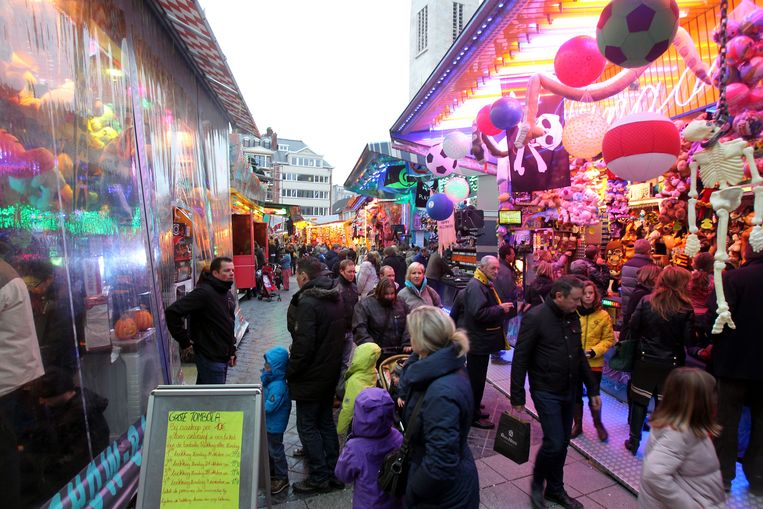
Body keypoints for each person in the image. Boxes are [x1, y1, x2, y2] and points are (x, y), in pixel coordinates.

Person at [511, 276, 601, 509]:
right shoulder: (536, 317)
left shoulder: (572, 316)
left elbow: (578, 355)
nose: (579, 304)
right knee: (554, 442)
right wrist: (517, 396)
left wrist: (592, 389)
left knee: (562, 444)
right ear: (559, 296)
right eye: (575, 299)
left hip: (569, 389)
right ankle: (536, 485)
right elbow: (520, 357)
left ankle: (555, 489)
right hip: (545, 389)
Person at [396, 306, 479, 509]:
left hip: (443, 495)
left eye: (412, 333)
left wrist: (414, 489)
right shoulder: (446, 365)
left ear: (422, 340)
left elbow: (441, 462)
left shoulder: (441, 392)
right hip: (443, 483)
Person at [707, 243, 763, 493]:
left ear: (747, 252)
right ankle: (759, 478)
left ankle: (722, 476)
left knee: (726, 421)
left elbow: (715, 318)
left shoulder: (731, 278)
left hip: (732, 362)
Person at [286, 256, 346, 493]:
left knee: (308, 425)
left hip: (311, 376)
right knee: (325, 423)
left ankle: (319, 476)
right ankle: (334, 472)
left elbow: (304, 345)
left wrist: (290, 370)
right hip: (329, 371)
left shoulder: (309, 303)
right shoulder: (335, 296)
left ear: (303, 276)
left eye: (297, 276)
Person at [624, 266, 694, 456]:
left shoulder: (647, 301)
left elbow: (633, 325)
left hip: (645, 358)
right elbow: (689, 341)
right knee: (666, 405)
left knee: (639, 402)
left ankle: (634, 441)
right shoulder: (685, 307)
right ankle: (661, 445)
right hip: (672, 361)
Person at [639, 368, 725, 508]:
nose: (716, 398)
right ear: (699, 401)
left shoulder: (687, 428)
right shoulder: (677, 433)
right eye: (712, 393)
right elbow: (654, 473)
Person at [165, 257, 237, 384]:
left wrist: (232, 351)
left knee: (204, 397)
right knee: (213, 400)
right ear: (215, 273)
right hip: (210, 357)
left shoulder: (226, 293)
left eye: (232, 270)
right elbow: (172, 312)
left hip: (221, 356)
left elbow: (228, 324)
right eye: (226, 270)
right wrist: (185, 341)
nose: (231, 273)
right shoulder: (204, 293)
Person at [462, 256, 515, 429]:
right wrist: (500, 308)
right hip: (478, 342)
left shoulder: (482, 283)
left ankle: (475, 407)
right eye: (493, 268)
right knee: (475, 380)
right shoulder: (477, 286)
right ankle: (472, 416)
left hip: (481, 341)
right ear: (483, 268)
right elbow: (479, 313)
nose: (496, 272)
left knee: (478, 378)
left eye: (497, 268)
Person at [335, 387, 403, 509]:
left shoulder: (354, 447)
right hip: (393, 501)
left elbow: (342, 474)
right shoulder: (397, 436)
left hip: (367, 504)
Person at [571, 281, 615, 442]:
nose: (588, 296)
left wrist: (595, 351)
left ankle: (598, 423)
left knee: (593, 394)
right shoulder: (572, 313)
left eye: (591, 293)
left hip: (594, 363)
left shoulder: (603, 315)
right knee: (575, 394)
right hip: (574, 362)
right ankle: (577, 424)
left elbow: (609, 339)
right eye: (585, 293)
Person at [352, 278, 411, 363]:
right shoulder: (365, 305)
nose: (390, 296)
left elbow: (409, 322)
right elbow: (359, 329)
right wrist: (372, 348)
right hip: (377, 355)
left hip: (400, 353)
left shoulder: (401, 302)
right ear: (379, 293)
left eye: (392, 293)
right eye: (386, 294)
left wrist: (407, 342)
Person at [261, 346, 291, 496]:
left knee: (276, 450)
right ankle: (272, 473)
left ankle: (282, 477)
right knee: (270, 449)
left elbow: (270, 406)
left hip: (275, 426)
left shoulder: (278, 386)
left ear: (276, 368)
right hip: (270, 424)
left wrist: (258, 407)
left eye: (268, 365)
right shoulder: (271, 381)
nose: (265, 367)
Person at [337, 343, 381, 435]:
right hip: (367, 419)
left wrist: (340, 429)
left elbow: (348, 408)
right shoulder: (372, 372)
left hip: (355, 422)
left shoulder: (355, 380)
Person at [492, 244, 520, 364]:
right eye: (513, 254)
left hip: (499, 303)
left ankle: (496, 351)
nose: (514, 256)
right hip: (504, 305)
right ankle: (496, 356)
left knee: (500, 328)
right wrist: (517, 289)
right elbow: (508, 290)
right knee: (502, 329)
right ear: (507, 256)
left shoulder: (501, 267)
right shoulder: (505, 271)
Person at [336, 259, 360, 399]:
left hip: (349, 330)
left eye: (353, 272)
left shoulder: (354, 287)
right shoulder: (337, 287)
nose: (352, 274)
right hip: (339, 331)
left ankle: (340, 392)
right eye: (349, 272)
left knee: (345, 363)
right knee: (337, 362)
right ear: (341, 271)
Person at [619, 264, 662, 331]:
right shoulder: (643, 295)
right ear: (652, 277)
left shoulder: (640, 292)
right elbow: (633, 321)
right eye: (659, 277)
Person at [620, 239, 655, 314]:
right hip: (642, 308)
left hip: (627, 305)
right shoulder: (650, 267)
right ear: (648, 252)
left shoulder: (626, 265)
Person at [687, 252, 714, 318]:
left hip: (691, 313)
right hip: (708, 315)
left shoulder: (689, 278)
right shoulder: (715, 281)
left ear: (695, 264)